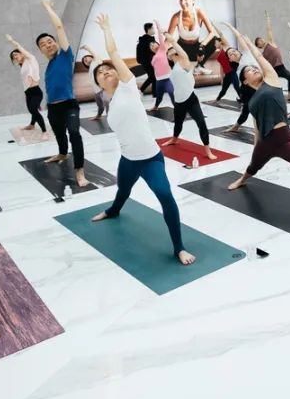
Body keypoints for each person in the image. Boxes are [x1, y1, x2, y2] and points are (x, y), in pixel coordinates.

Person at [89, 13, 196, 265]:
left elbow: (113, 53)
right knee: (123, 190)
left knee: (165, 196)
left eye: (108, 69)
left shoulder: (127, 87)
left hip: (150, 159)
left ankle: (179, 248)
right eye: (100, 73)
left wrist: (106, 29)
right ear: (99, 84)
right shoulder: (110, 103)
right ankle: (113, 211)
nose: (106, 71)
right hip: (128, 160)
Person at [224, 22, 290, 220]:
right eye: (249, 71)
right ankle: (242, 179)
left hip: (283, 140)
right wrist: (256, 144)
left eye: (254, 68)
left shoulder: (271, 79)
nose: (254, 70)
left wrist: (245, 41)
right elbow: (256, 124)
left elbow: (260, 58)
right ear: (245, 81)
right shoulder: (251, 101)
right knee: (253, 167)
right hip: (265, 141)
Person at [36, 0, 88, 187]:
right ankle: (62, 153)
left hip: (69, 105)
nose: (48, 44)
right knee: (59, 134)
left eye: (50, 41)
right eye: (43, 44)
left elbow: (59, 27)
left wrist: (47, 7)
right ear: (40, 50)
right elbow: (51, 87)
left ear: (56, 43)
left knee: (74, 133)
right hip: (53, 107)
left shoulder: (65, 56)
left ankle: (79, 170)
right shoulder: (49, 66)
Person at [161, 32, 218, 160]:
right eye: (169, 52)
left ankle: (208, 150)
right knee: (178, 123)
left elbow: (183, 54)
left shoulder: (185, 63)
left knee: (201, 123)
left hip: (191, 99)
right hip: (178, 101)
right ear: (168, 56)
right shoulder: (173, 68)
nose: (171, 52)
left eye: (173, 51)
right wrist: (167, 45)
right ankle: (174, 139)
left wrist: (172, 42)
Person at [167, 0, 218, 73]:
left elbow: (212, 32)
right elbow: (168, 39)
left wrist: (202, 46)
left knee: (216, 41)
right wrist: (170, 49)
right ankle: (186, 67)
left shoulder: (199, 12)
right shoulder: (176, 17)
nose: (182, 2)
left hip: (196, 49)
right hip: (182, 49)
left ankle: (199, 65)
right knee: (170, 54)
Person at [6, 34, 47, 133]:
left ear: (22, 54)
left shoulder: (31, 59)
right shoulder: (23, 66)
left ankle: (44, 131)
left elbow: (19, 47)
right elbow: (25, 81)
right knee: (32, 110)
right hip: (28, 93)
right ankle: (32, 125)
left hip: (36, 91)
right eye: (13, 57)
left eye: (16, 54)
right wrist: (27, 94)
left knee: (33, 110)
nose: (15, 57)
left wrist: (12, 41)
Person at [255, 13, 290, 99]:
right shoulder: (263, 54)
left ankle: (289, 96)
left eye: (261, 39)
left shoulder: (271, 43)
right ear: (259, 46)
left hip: (281, 67)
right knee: (267, 83)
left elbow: (269, 30)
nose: (261, 40)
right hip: (272, 70)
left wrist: (268, 18)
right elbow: (263, 63)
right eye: (259, 42)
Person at [149, 22, 174, 112]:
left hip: (167, 78)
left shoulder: (162, 49)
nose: (152, 46)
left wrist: (158, 26)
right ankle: (156, 106)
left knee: (171, 92)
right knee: (159, 96)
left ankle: (179, 108)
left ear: (158, 44)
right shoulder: (153, 57)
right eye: (151, 46)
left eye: (153, 44)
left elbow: (160, 37)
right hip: (159, 80)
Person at [213, 38, 242, 103]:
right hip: (227, 74)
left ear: (220, 42)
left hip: (232, 71)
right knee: (224, 89)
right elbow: (221, 67)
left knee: (237, 87)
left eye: (215, 43)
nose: (214, 44)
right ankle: (217, 99)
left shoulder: (227, 48)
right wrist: (221, 78)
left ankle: (244, 101)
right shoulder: (218, 54)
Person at [135, 23, 157, 95]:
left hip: (152, 62)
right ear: (149, 29)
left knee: (153, 77)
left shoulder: (151, 40)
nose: (154, 30)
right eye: (152, 28)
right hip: (148, 63)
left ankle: (153, 94)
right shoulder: (145, 41)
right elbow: (141, 54)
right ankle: (143, 91)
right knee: (153, 77)